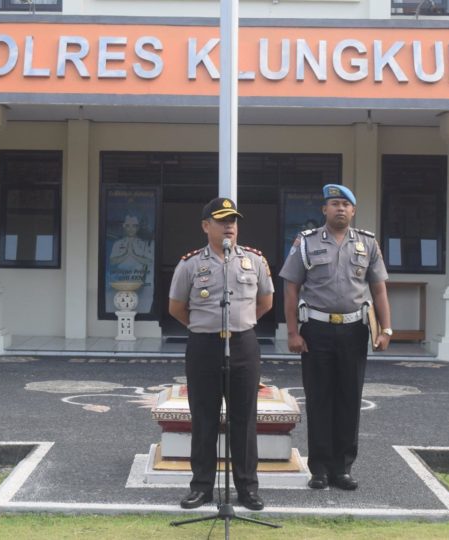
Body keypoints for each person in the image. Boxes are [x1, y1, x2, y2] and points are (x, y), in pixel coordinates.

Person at [279, 183, 392, 491]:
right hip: (316, 331)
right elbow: (291, 289)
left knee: (349, 399)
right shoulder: (305, 242)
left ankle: (342, 469)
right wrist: (291, 332)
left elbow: (379, 288)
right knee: (319, 399)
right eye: (334, 204)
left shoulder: (368, 244)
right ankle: (318, 468)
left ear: (353, 210)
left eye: (345, 204)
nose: (340, 208)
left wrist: (386, 329)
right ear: (324, 210)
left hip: (355, 331)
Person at [168, 197, 274, 511]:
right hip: (203, 346)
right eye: (221, 220)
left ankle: (247, 488)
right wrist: (206, 326)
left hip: (243, 345)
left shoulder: (254, 261)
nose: (229, 225)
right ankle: (201, 487)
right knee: (204, 419)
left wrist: (238, 324)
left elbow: (266, 302)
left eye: (233, 220)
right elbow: (176, 308)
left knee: (244, 419)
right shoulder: (190, 264)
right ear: (205, 226)